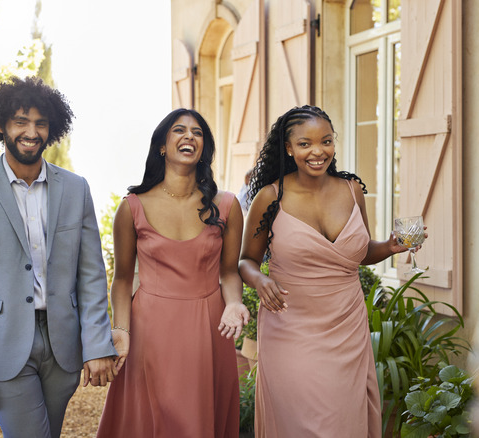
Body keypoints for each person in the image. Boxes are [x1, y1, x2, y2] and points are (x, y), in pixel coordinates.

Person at [0, 76, 117, 438]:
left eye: (40, 123)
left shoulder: (75, 188)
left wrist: (97, 344)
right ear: (2, 125)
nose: (31, 131)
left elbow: (91, 275)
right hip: (3, 345)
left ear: (51, 130)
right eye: (20, 121)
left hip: (62, 346)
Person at [239, 105, 412, 437]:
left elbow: (357, 253)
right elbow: (246, 259)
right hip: (291, 327)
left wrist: (388, 247)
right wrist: (260, 280)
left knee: (342, 422)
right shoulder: (269, 197)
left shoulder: (352, 190)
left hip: (347, 326)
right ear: (289, 148)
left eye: (326, 141)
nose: (318, 152)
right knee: (306, 423)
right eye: (305, 144)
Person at [96, 108, 249, 438]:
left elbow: (229, 272)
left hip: (209, 328)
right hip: (148, 330)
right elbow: (122, 279)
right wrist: (121, 329)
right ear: (162, 146)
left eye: (198, 133)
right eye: (179, 130)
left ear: (203, 149)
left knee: (197, 418)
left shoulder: (227, 205)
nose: (189, 136)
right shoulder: (132, 206)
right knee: (149, 419)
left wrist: (234, 303)